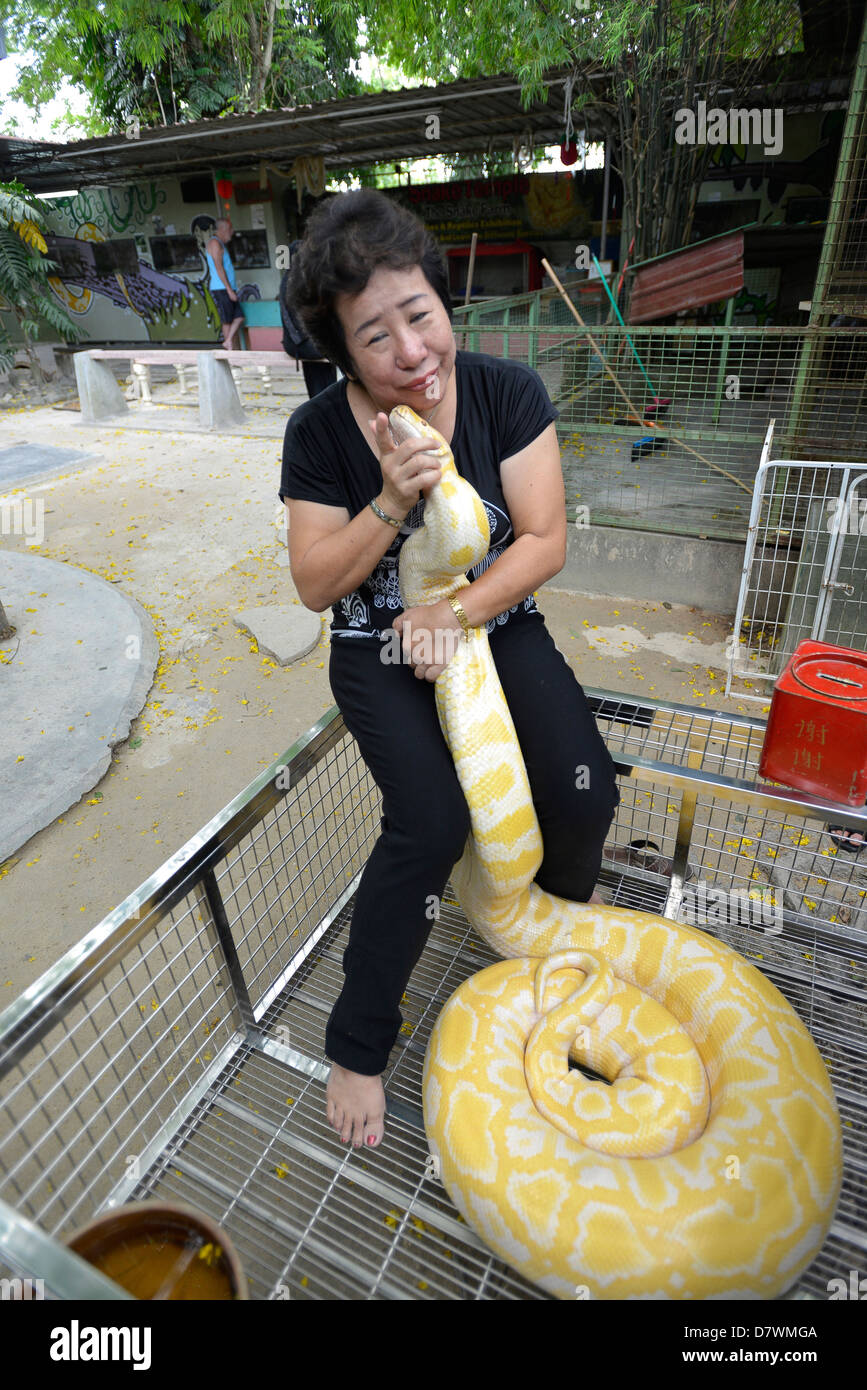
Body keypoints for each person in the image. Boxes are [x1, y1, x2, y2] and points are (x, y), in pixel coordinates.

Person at [279, 189, 620, 1152]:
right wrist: (389, 500)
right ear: (344, 354)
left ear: (445, 302)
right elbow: (313, 584)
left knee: (584, 790)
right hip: (376, 643)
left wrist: (455, 609)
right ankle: (357, 1044)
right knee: (429, 820)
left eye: (419, 315)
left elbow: (543, 541)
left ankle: (536, 931)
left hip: (486, 618)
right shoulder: (317, 437)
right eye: (375, 337)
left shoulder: (509, 395)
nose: (411, 353)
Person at [279, 242, 337, 398]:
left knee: (318, 381)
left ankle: (324, 403)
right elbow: (294, 318)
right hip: (304, 344)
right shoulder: (296, 281)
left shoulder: (292, 278)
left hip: (302, 343)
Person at [206, 218, 245, 349]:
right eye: (230, 229)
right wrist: (229, 290)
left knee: (239, 317)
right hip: (221, 288)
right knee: (227, 320)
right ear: (222, 229)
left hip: (226, 288)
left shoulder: (220, 244)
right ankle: (229, 351)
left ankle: (228, 342)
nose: (232, 232)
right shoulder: (214, 243)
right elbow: (219, 268)